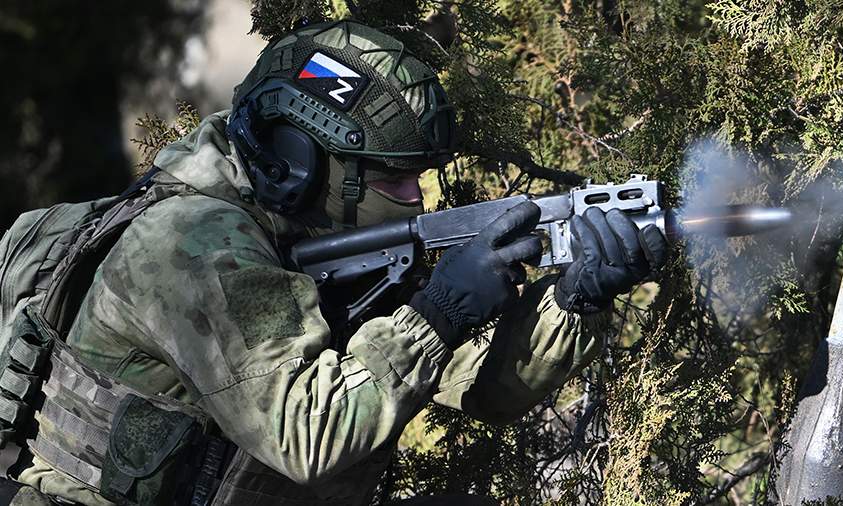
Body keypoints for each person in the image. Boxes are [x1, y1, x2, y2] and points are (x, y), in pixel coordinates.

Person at [7, 20, 667, 505]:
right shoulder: (193, 244)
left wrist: (572, 299)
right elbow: (308, 437)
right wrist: (438, 313)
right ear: (301, 164)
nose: (418, 198)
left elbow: (482, 388)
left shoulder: (316, 237)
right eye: (393, 179)